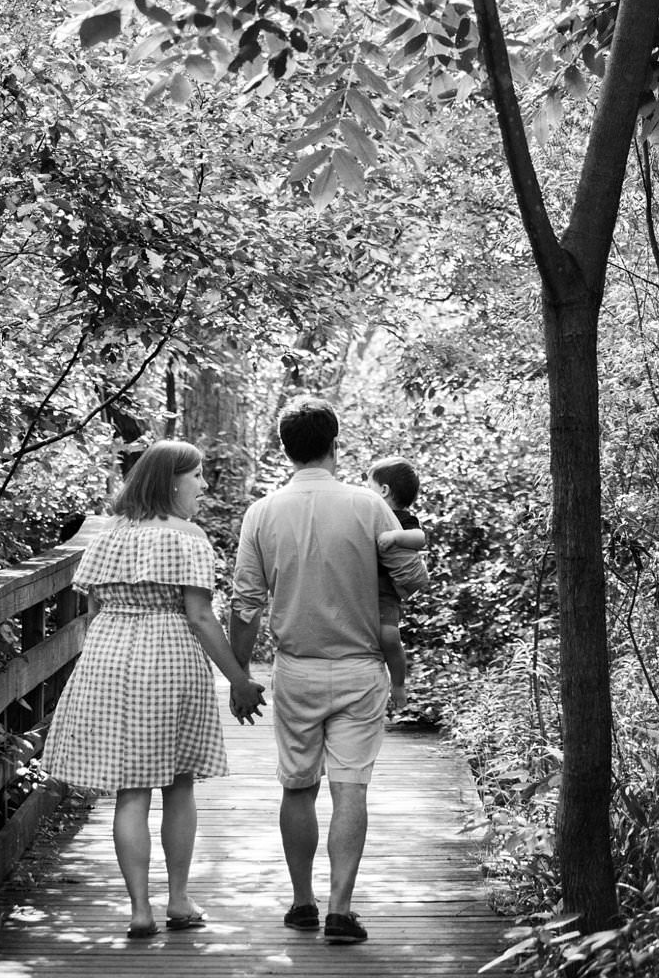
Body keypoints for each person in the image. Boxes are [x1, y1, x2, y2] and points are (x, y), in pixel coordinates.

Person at [42, 439, 266, 939]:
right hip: (169, 657)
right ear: (171, 481)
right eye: (197, 476)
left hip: (108, 656)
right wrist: (240, 680)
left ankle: (140, 910)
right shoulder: (187, 537)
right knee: (178, 783)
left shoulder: (110, 534)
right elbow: (201, 616)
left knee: (131, 791)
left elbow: (92, 610)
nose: (202, 486)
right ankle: (180, 901)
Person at [229, 396, 427, 946]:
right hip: (362, 670)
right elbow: (412, 580)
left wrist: (242, 676)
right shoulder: (370, 507)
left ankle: (302, 904)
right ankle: (341, 909)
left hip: (295, 670)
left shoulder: (262, 513)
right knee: (350, 789)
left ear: (285, 448)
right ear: (334, 444)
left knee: (297, 788)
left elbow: (245, 604)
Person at [368, 455, 427, 696]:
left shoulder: (403, 518)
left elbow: (420, 539)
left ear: (383, 490)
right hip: (365, 587)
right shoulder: (369, 516)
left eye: (369, 486)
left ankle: (399, 684)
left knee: (389, 636)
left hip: (386, 591)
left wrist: (396, 536)